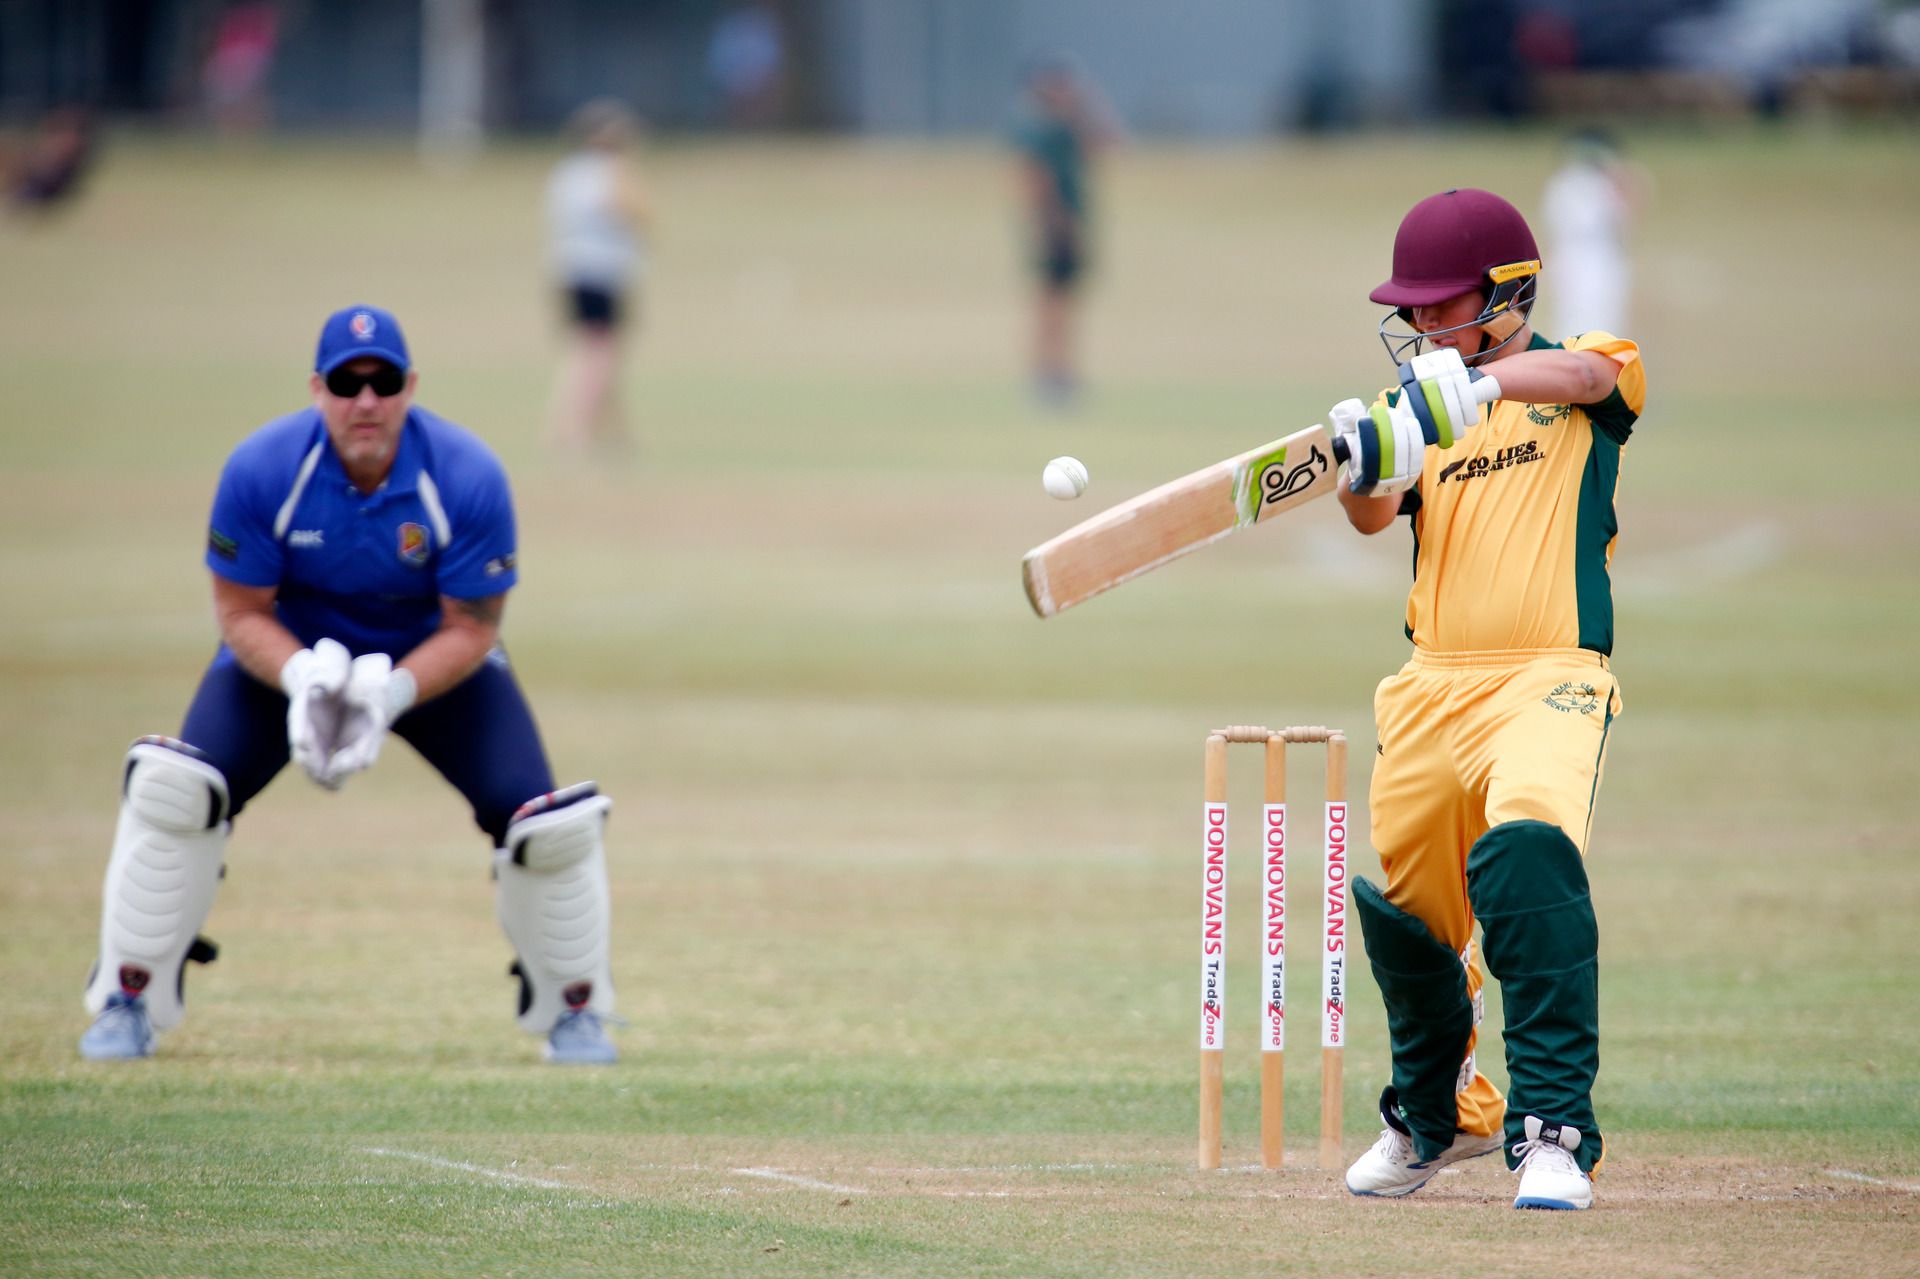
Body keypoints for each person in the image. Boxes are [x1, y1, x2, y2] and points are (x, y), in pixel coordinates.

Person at [78, 304, 621, 1066]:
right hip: (290, 656)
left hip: (431, 659)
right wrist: (303, 676)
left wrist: (388, 693)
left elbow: (473, 626)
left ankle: (577, 1010)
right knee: (176, 792)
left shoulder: (466, 475)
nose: (365, 400)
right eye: (346, 381)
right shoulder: (263, 468)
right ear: (317, 388)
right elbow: (238, 610)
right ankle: (127, 997)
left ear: (410, 387)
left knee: (545, 826)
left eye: (383, 380)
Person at [1324, 188, 1645, 1210]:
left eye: (1440, 305)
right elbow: (1374, 520)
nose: (1421, 326)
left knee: (1528, 851)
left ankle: (1551, 1131)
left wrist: (1481, 388)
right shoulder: (1424, 406)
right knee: (1413, 916)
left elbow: (1591, 373)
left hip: (1549, 673)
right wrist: (1364, 462)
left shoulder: (1581, 373)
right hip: (1430, 687)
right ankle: (1438, 1113)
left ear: (1506, 295)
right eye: (1410, 310)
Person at [1010, 56, 1119, 410]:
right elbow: (1034, 179)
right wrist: (1054, 225)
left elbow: (1107, 142)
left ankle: (1060, 371)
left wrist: (1086, 108)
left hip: (1067, 225)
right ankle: (1048, 374)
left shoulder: (1066, 127)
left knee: (1064, 303)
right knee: (1051, 304)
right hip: (1054, 227)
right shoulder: (1037, 128)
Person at [544, 99, 651, 455]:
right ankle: (575, 433)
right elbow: (628, 210)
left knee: (585, 353)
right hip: (602, 273)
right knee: (600, 358)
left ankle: (608, 435)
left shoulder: (567, 173)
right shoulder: (607, 172)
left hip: (569, 270)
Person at [1540, 128, 1644, 339]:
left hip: (1599, 256)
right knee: (1579, 318)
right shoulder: (1572, 184)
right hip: (1583, 257)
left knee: (1604, 318)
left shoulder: (1590, 183)